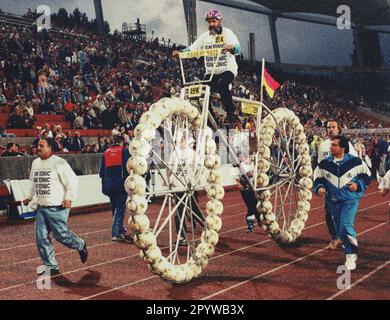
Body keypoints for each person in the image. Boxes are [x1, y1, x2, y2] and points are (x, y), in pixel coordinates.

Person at [23, 138, 88, 276]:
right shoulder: (35, 163)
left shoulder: (59, 162)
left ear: (50, 148)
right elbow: (32, 181)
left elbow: (72, 181)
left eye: (41, 145)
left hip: (57, 207)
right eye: (37, 145)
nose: (38, 148)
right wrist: (28, 196)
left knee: (61, 236)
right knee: (41, 238)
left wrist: (69, 198)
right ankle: (50, 265)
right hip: (41, 207)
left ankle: (80, 244)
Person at [172, 8, 241, 127]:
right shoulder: (205, 37)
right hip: (211, 71)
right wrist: (180, 52)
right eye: (209, 22)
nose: (211, 24)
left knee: (222, 85)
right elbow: (192, 48)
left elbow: (238, 48)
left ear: (219, 21)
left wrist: (232, 47)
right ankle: (210, 118)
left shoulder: (227, 33)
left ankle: (231, 113)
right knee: (203, 92)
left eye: (214, 21)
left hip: (227, 69)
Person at [313, 135, 371, 271]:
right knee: (340, 228)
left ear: (342, 148)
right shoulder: (324, 164)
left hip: (349, 200)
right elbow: (317, 178)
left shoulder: (355, 162)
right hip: (333, 201)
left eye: (334, 145)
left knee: (345, 226)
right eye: (331, 144)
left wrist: (357, 184)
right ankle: (349, 247)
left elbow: (366, 175)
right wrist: (319, 187)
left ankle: (351, 255)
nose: (330, 147)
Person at [316, 120, 358, 250]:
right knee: (329, 213)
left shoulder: (347, 145)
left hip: (345, 184)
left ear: (338, 129)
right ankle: (335, 238)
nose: (330, 129)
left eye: (333, 127)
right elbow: (320, 166)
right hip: (330, 185)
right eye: (328, 127)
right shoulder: (323, 146)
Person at [99, 136, 132, 242]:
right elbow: (128, 167)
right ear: (121, 142)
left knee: (114, 207)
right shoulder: (124, 151)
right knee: (120, 208)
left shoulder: (105, 152)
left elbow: (101, 172)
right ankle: (116, 232)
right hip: (120, 184)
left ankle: (120, 229)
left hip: (108, 185)